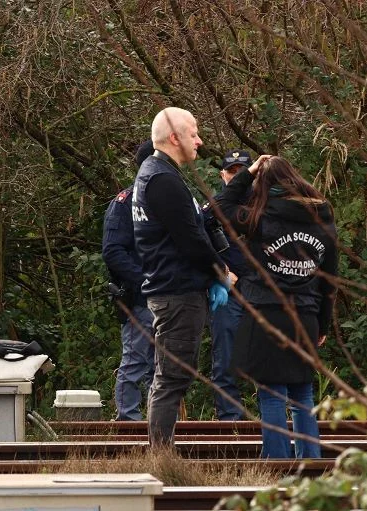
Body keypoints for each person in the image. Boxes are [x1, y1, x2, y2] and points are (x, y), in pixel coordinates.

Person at [218, 155, 337, 459]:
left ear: (264, 184)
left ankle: (277, 464)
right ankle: (312, 465)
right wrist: (323, 323)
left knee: (271, 393)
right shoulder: (323, 218)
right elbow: (330, 281)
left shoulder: (260, 217)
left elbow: (221, 207)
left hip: (268, 313)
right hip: (307, 315)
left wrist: (247, 173)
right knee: (302, 394)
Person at [131, 107, 230, 446]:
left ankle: (161, 451)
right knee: (172, 377)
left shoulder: (159, 173)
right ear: (175, 138)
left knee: (172, 376)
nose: (199, 141)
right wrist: (220, 272)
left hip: (175, 288)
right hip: (177, 291)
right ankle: (161, 457)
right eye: (193, 133)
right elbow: (191, 238)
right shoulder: (162, 178)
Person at [102, 140, 156, 421]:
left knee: (161, 368)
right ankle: (128, 421)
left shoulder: (166, 200)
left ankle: (158, 424)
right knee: (135, 362)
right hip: (138, 299)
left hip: (167, 297)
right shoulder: (124, 203)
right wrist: (144, 280)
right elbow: (112, 251)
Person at [203, 150, 253, 421]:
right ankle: (230, 421)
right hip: (229, 293)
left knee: (271, 360)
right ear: (223, 175)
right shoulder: (213, 209)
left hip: (262, 294)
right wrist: (219, 273)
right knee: (225, 360)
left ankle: (274, 419)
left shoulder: (268, 205)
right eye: (232, 172)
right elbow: (193, 244)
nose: (237, 176)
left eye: (242, 171)